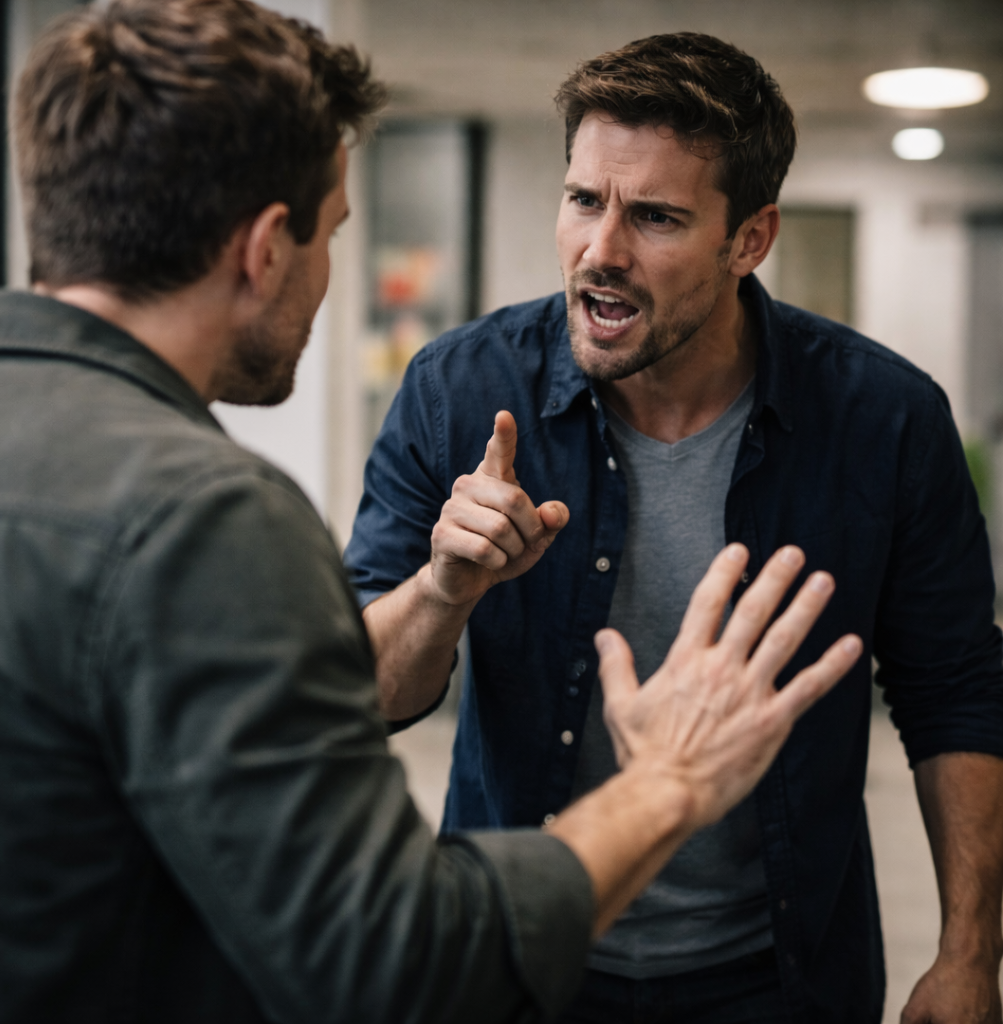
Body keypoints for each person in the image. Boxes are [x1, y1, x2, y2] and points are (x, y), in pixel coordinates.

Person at [0, 4, 863, 1023]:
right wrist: (669, 778)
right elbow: (393, 963)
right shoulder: (203, 518)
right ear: (266, 250)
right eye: (332, 233)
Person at [345, 32, 1003, 1024]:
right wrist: (443, 590)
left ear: (750, 239)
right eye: (583, 200)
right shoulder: (458, 389)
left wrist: (969, 955)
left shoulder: (884, 417)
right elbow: (364, 697)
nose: (600, 252)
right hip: (520, 957)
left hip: (778, 974)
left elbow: (954, 691)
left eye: (654, 216)